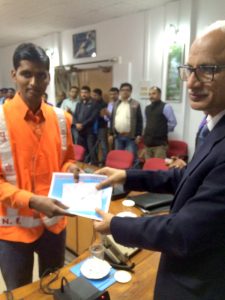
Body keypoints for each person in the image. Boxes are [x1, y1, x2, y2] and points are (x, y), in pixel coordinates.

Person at [93, 21, 225, 300]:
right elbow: (185, 177)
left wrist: (116, 225)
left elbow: (182, 232)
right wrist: (127, 176)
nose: (191, 81)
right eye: (189, 69)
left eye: (208, 69)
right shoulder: (214, 126)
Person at [0, 43, 79, 291]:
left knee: (55, 287)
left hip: (54, 224)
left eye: (41, 75)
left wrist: (72, 168)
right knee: (20, 291)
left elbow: (67, 158)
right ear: (14, 75)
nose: (34, 82)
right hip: (12, 231)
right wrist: (32, 200)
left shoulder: (61, 118)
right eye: (26, 74)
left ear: (48, 76)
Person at [110, 83, 143, 159]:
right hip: (118, 136)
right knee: (119, 158)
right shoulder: (116, 104)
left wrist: (138, 135)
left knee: (131, 158)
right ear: (120, 92)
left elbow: (139, 120)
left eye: (127, 90)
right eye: (123, 90)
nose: (125, 92)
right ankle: (119, 171)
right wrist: (111, 133)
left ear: (131, 92)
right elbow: (112, 119)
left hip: (130, 137)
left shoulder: (135, 104)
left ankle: (131, 171)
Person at [143, 86, 177, 159]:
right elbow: (147, 123)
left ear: (159, 95)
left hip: (160, 145)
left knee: (158, 168)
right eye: (150, 94)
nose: (151, 96)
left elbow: (173, 123)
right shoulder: (147, 108)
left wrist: (162, 130)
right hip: (148, 144)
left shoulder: (166, 107)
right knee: (148, 167)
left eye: (153, 94)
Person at [74, 86, 99, 165]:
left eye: (85, 92)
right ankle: (82, 167)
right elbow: (74, 115)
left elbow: (92, 118)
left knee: (92, 150)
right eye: (82, 93)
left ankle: (95, 166)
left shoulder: (94, 104)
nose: (83, 94)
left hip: (89, 131)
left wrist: (82, 125)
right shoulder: (79, 104)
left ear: (89, 93)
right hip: (80, 131)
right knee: (81, 151)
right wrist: (76, 124)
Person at [92, 88, 108, 166]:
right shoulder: (92, 103)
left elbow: (105, 116)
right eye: (93, 95)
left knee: (103, 145)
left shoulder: (104, 104)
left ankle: (105, 162)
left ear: (100, 95)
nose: (93, 97)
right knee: (94, 145)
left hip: (101, 127)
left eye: (95, 95)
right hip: (93, 127)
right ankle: (95, 162)